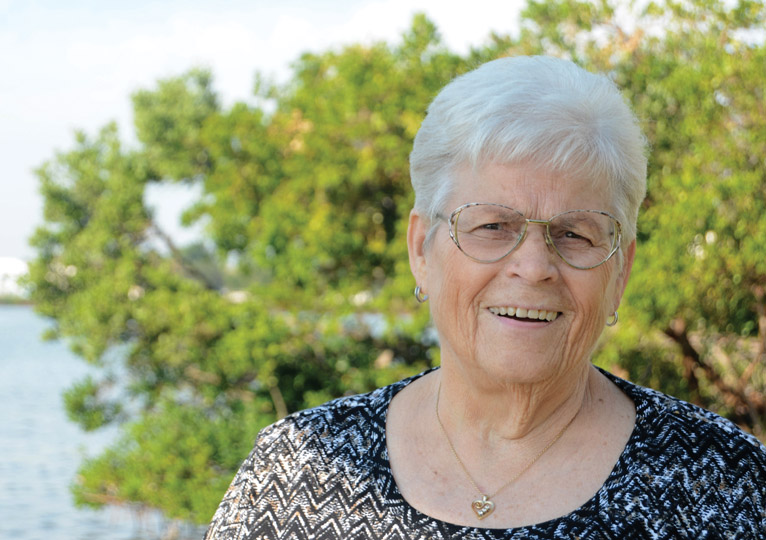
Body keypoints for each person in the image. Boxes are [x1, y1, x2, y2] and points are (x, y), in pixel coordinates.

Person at [203, 56, 766, 539]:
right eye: (493, 226)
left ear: (620, 269)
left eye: (574, 233)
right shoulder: (298, 472)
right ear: (422, 249)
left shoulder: (728, 487)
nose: (534, 267)